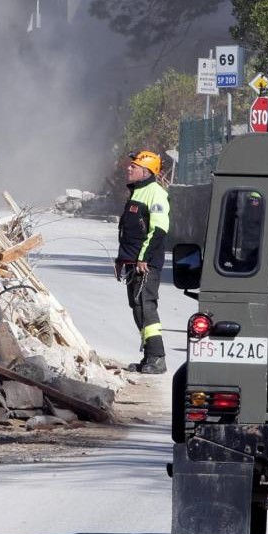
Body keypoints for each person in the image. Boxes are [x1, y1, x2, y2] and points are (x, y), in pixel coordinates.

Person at [116, 150, 170, 374]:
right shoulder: (137, 192)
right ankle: (148, 356)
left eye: (134, 166)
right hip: (132, 262)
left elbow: (158, 229)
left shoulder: (155, 193)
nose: (129, 168)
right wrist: (122, 260)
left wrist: (142, 258)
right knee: (137, 308)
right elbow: (130, 231)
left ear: (146, 171)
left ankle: (158, 358)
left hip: (145, 264)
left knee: (146, 307)